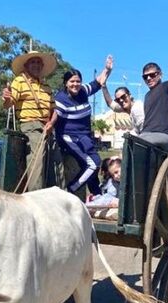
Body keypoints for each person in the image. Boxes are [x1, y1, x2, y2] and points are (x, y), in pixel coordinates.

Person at [46, 55, 113, 197]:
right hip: (69, 138)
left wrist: (107, 69)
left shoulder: (83, 92)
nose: (75, 84)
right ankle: (70, 191)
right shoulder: (61, 98)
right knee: (93, 164)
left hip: (85, 137)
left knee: (91, 167)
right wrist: (51, 124)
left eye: (78, 81)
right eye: (72, 81)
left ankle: (96, 196)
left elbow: (98, 82)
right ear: (65, 83)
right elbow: (56, 113)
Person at [2, 50, 57, 191]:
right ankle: (35, 196)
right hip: (30, 126)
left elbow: (54, 110)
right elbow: (9, 104)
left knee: (55, 164)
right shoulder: (19, 81)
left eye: (39, 62)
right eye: (33, 62)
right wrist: (7, 97)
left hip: (48, 128)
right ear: (26, 66)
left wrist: (51, 123)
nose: (36, 65)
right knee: (36, 163)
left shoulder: (47, 87)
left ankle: (53, 195)